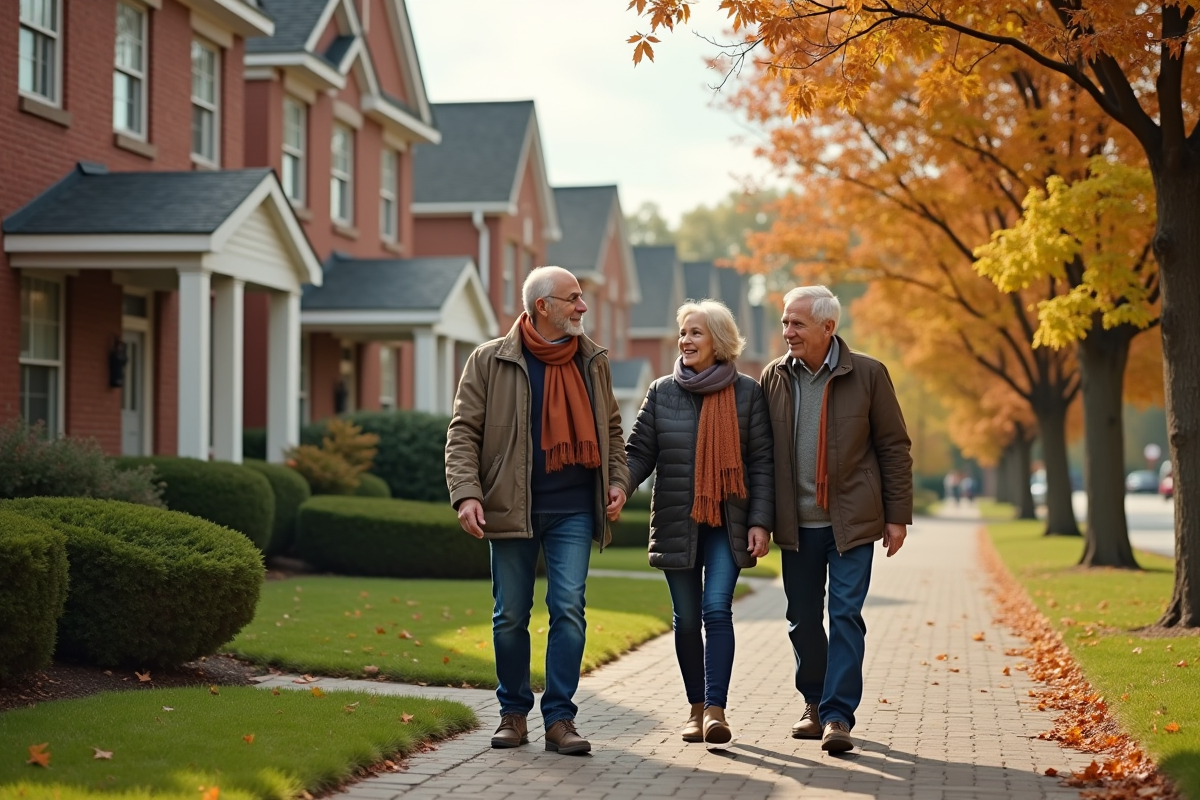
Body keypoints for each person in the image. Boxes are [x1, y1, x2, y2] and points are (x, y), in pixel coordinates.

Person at [445, 266, 630, 755]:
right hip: (512, 507)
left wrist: (617, 480)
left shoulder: (592, 361)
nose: (582, 307)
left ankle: (560, 719)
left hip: (574, 508)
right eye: (573, 299)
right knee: (510, 616)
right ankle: (513, 713)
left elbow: (612, 429)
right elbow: (463, 432)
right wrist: (467, 492)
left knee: (567, 608)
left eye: (582, 298)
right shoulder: (490, 359)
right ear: (542, 306)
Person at [759, 285, 913, 754]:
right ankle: (813, 701)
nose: (788, 332)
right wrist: (761, 519)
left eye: (797, 323)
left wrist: (897, 516)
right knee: (802, 619)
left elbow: (893, 446)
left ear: (829, 327)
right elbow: (761, 455)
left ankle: (837, 715)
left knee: (845, 615)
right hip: (796, 526)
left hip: (852, 523)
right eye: (785, 322)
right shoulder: (774, 377)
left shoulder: (867, 374)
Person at [624, 300, 774, 745]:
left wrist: (760, 521)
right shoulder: (661, 392)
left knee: (715, 610)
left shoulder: (748, 393)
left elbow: (762, 463)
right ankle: (694, 707)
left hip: (728, 523)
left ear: (719, 342)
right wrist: (619, 489)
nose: (685, 341)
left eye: (695, 333)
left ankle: (715, 710)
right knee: (687, 619)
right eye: (683, 332)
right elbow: (638, 454)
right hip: (677, 519)